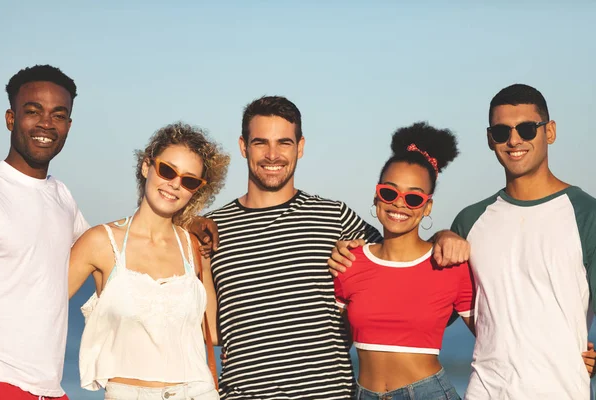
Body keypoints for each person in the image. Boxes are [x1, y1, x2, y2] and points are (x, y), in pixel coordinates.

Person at [330, 84, 596, 399]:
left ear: (549, 131)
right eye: (501, 132)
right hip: (482, 391)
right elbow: (425, 294)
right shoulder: (470, 221)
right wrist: (439, 236)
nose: (513, 140)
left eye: (526, 128)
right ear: (489, 138)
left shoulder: (585, 214)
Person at [204, 96, 383, 399]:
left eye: (284, 143)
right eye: (260, 142)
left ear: (300, 147)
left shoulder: (334, 217)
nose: (272, 155)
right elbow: (207, 327)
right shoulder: (211, 229)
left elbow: (401, 257)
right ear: (243, 146)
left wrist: (445, 237)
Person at [68, 123, 229, 400]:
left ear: (197, 190)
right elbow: (42, 313)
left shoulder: (193, 247)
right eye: (167, 170)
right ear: (146, 167)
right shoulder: (101, 242)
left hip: (197, 392)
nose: (174, 184)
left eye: (189, 181)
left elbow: (213, 330)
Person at [335, 122, 474, 400]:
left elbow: (497, 337)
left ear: (427, 207)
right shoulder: (350, 262)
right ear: (377, 197)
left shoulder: (449, 265)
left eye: (413, 197)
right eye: (389, 192)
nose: (399, 204)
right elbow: (329, 341)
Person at [0, 65, 88, 400]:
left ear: (68, 126)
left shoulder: (62, 197)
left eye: (58, 115)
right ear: (11, 118)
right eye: (33, 111)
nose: (46, 124)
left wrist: (187, 223)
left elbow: (113, 247)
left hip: (49, 390)